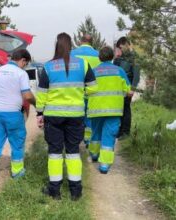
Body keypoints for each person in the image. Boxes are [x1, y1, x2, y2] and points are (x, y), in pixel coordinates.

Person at [36, 33, 97, 200]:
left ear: (57, 45)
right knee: (73, 152)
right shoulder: (83, 64)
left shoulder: (48, 67)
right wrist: (80, 92)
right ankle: (75, 191)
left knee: (54, 153)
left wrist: (40, 113)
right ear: (71, 46)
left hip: (53, 116)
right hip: (76, 115)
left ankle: (54, 190)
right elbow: (93, 88)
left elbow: (41, 94)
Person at [0, 49, 35, 188]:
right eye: (25, 64)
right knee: (17, 143)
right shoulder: (21, 73)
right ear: (23, 60)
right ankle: (17, 172)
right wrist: (37, 104)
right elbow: (27, 95)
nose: (25, 66)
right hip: (13, 115)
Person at [88, 46, 131, 174]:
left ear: (99, 57)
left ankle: (94, 154)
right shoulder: (119, 71)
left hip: (96, 109)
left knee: (95, 133)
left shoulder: (93, 72)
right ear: (112, 56)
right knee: (109, 135)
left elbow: (87, 91)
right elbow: (128, 90)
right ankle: (104, 165)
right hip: (113, 110)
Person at [71, 34, 101, 147]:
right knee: (90, 117)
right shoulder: (98, 55)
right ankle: (88, 139)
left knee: (77, 116)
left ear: (80, 41)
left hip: (76, 91)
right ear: (92, 42)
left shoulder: (72, 54)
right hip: (92, 91)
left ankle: (76, 139)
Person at [113, 37, 140, 139]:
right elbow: (115, 70)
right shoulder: (120, 57)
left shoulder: (134, 57)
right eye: (119, 48)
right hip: (118, 88)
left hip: (127, 87)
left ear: (127, 44)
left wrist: (132, 89)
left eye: (121, 47)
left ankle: (126, 132)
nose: (121, 49)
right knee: (120, 109)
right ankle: (120, 130)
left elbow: (136, 75)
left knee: (126, 109)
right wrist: (116, 58)